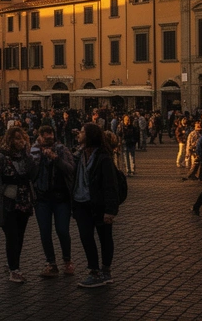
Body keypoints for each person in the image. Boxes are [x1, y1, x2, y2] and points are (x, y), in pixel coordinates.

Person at [0, 126, 38, 283]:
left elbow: (34, 174)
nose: (19, 141)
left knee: (19, 236)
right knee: (12, 236)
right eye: (16, 138)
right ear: (9, 140)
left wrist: (28, 155)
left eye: (21, 138)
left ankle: (12, 262)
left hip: (24, 201)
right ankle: (14, 270)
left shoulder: (25, 157)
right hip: (7, 201)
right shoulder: (0, 157)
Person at [71, 122, 119, 288]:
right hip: (80, 202)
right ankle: (94, 270)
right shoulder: (79, 154)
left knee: (105, 237)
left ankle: (106, 270)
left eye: (82, 132)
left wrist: (110, 211)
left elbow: (110, 185)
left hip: (98, 204)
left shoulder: (103, 157)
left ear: (89, 136)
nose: (79, 134)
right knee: (86, 237)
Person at [31, 125, 76, 278]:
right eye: (44, 135)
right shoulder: (34, 152)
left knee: (62, 230)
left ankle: (67, 260)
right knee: (45, 231)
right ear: (39, 137)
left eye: (50, 134)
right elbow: (30, 172)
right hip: (42, 198)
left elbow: (71, 169)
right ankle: (51, 263)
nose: (48, 137)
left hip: (60, 198)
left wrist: (55, 159)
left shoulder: (62, 150)